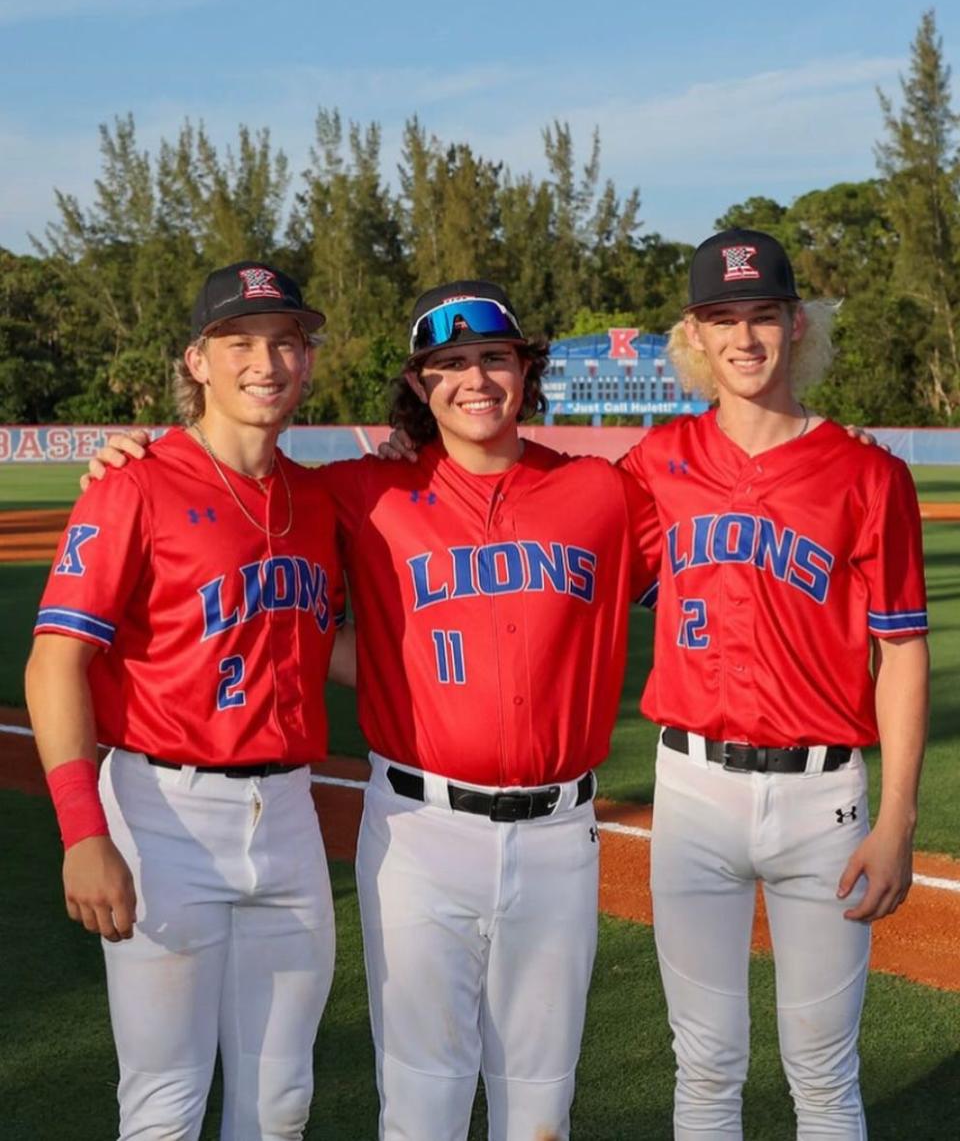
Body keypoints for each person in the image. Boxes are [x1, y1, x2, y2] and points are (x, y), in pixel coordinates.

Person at [84, 279, 661, 1141]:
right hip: (420, 828)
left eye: (493, 357)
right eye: (449, 363)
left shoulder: (603, 494)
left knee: (541, 1104)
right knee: (420, 1100)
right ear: (420, 386)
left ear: (527, 369)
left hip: (557, 833)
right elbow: (260, 561)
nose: (474, 379)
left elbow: (722, 561)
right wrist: (129, 456)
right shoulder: (360, 492)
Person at [27, 261, 352, 1140]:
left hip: (287, 814)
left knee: (280, 1103)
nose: (266, 360)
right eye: (239, 341)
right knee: (166, 1104)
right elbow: (55, 660)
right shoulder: (132, 481)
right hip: (162, 812)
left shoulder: (316, 498)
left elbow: (336, 646)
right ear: (197, 360)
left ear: (309, 361)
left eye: (286, 341)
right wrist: (82, 831)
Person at [618, 228, 929, 1139]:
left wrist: (899, 818)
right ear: (696, 336)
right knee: (706, 1065)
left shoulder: (869, 473)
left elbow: (902, 654)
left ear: (797, 326)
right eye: (723, 318)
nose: (744, 338)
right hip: (693, 789)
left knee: (824, 1073)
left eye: (763, 316)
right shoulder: (653, 467)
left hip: (822, 797)